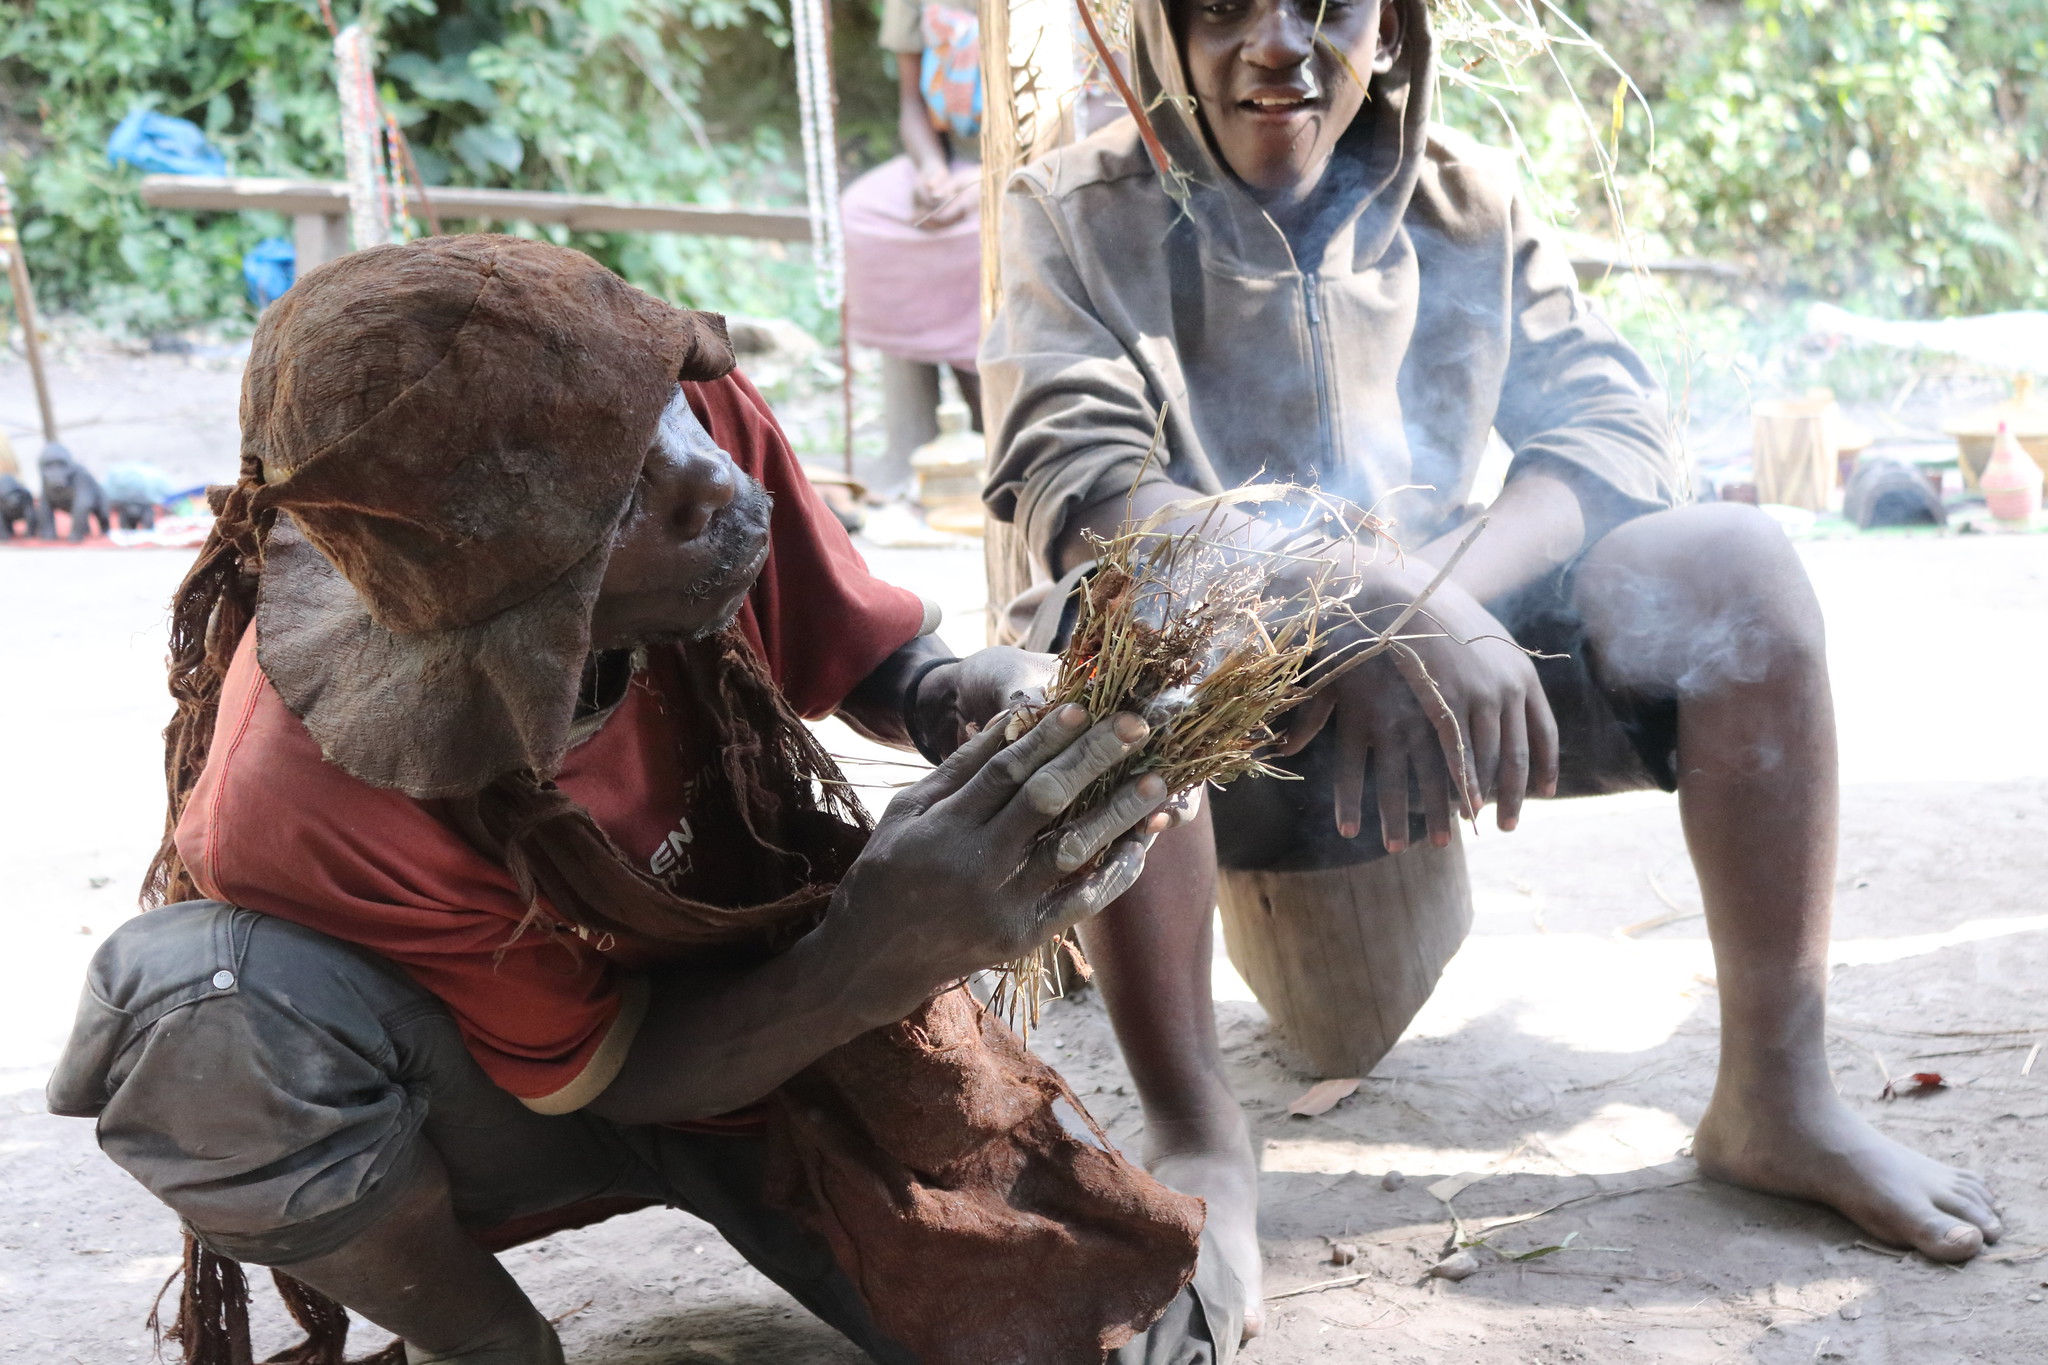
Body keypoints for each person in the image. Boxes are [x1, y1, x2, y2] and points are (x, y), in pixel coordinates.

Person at [979, 0, 2004, 1338]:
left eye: (1327, 2)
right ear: (1162, 27)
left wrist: (1439, 602)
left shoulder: (1465, 199)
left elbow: (1613, 429)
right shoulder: (1071, 212)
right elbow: (1084, 484)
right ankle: (1197, 1138)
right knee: (1113, 623)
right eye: (1224, 2)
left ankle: (1777, 1095)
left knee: (1737, 568)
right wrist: (1371, 594)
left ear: (1393, 23)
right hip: (1213, 741)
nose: (1277, 43)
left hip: (1448, 702)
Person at [47, 235, 1249, 1365]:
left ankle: (1133, 1155)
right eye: (619, 493)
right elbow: (607, 1073)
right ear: (519, 607)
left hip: (781, 1029)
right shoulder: (310, 796)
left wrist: (945, 695)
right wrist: (869, 954)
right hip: (495, 1099)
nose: (710, 476)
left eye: (667, 415)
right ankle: (487, 1346)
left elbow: (855, 647)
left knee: (1132, 1334)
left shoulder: (678, 429)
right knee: (205, 1014)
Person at [840, 0, 985, 501]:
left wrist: (990, 181)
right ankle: (910, 446)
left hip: (1034, 163)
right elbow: (912, 103)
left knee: (987, 236)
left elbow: (1091, 114)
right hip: (952, 163)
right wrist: (931, 170)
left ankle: (991, 432)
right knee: (864, 214)